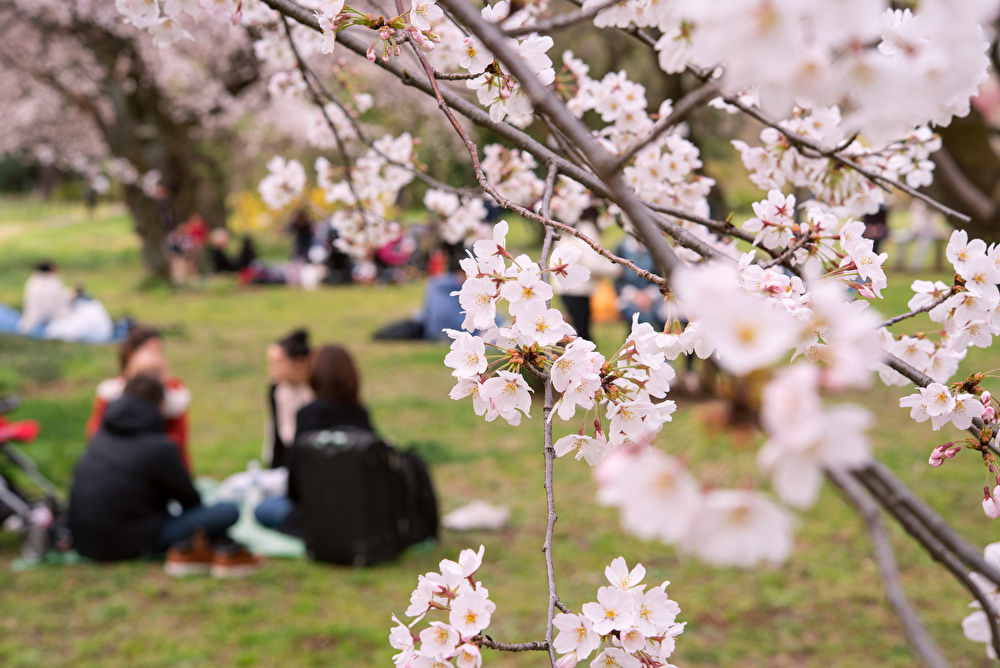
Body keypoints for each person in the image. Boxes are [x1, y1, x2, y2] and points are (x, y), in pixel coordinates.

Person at [68, 375, 260, 576]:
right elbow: (190, 500)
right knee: (227, 511)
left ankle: (216, 546)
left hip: (84, 542)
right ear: (160, 405)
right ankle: (222, 548)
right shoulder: (159, 447)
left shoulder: (102, 434)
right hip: (128, 544)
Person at [254, 345, 375, 534]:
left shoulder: (307, 415)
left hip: (315, 512)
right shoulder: (361, 414)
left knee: (264, 508)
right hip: (357, 511)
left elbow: (293, 482)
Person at [85, 325, 193, 471]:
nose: (158, 358)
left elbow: (178, 442)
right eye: (151, 351)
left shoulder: (174, 395)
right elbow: (95, 435)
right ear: (131, 355)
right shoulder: (112, 393)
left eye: (160, 352)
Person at [553, 209, 617, 342]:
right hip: (577, 289)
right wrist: (616, 269)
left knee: (578, 325)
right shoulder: (586, 229)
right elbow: (593, 264)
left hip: (564, 286)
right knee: (582, 329)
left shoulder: (568, 229)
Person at [264, 329, 315, 469]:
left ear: (300, 363)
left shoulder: (318, 389)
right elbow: (276, 431)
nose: (273, 370)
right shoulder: (277, 389)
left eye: (279, 362)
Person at [17, 261, 72, 336]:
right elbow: (59, 300)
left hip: (32, 318)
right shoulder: (54, 281)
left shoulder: (33, 280)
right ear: (51, 268)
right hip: (52, 317)